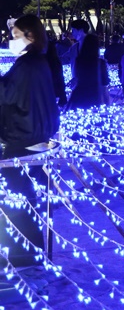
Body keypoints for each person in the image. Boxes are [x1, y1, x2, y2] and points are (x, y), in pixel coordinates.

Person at [0, 14, 60, 267]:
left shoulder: (27, 65)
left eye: (15, 36)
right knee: (25, 198)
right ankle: (29, 253)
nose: (11, 41)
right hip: (36, 136)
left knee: (16, 200)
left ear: (31, 36)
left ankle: (23, 255)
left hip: (22, 138)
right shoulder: (39, 62)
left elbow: (6, 95)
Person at [67, 33, 111, 110]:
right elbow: (105, 81)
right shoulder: (100, 62)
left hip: (80, 94)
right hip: (95, 95)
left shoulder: (79, 61)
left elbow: (77, 76)